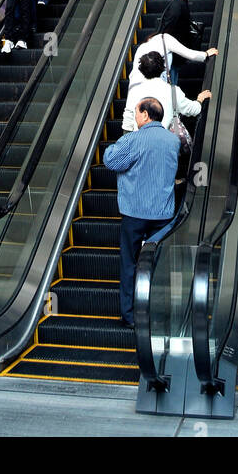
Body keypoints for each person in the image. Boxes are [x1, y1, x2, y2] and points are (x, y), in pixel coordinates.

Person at [103, 97, 180, 327]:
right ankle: (160, 313)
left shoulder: (133, 140)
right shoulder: (172, 141)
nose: (135, 117)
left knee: (130, 263)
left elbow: (110, 161)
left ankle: (129, 315)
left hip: (135, 214)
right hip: (163, 214)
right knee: (159, 263)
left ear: (146, 115)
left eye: (136, 113)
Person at [132, 0, 217, 84]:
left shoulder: (177, 5)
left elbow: (167, 29)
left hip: (170, 54)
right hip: (174, 54)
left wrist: (154, 38)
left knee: (168, 85)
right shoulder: (181, 3)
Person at [121, 51, 211, 131]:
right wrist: (200, 99)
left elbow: (128, 118)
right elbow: (192, 110)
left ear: (141, 70)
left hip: (139, 142)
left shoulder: (135, 90)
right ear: (162, 68)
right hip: (166, 141)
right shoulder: (173, 90)